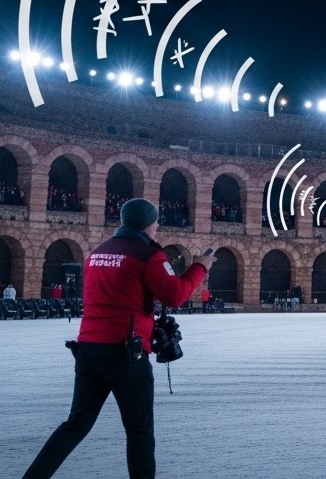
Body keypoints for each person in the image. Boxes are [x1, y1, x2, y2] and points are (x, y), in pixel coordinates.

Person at [23, 198, 213, 478]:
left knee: (76, 424)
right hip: (126, 353)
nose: (157, 227)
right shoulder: (148, 255)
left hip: (88, 349)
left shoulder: (97, 252)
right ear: (148, 223)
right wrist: (200, 267)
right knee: (139, 431)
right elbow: (175, 296)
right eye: (156, 222)